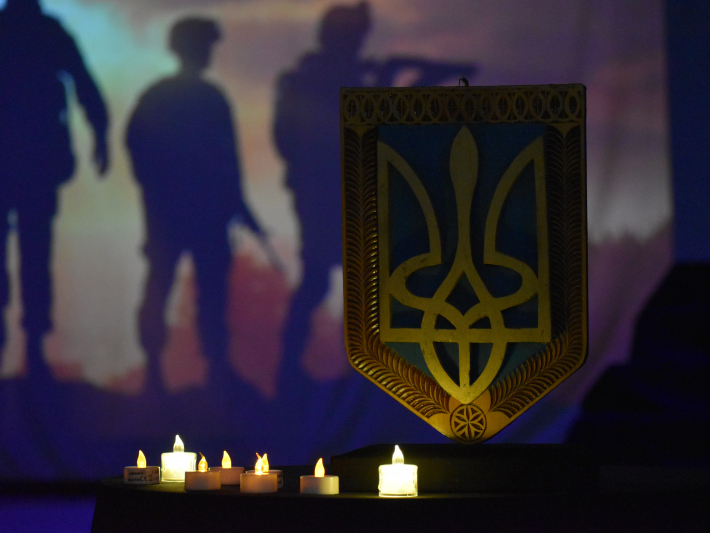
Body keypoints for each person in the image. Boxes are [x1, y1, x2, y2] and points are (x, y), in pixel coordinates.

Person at [273, 1, 475, 391]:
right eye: (353, 37)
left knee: (342, 282)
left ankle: (328, 370)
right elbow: (371, 121)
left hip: (338, 191)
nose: (358, 45)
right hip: (329, 192)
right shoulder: (317, 79)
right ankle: (309, 371)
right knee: (334, 281)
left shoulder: (319, 77)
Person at [127, 17, 258, 393]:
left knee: (177, 288)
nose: (209, 53)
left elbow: (226, 161)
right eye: (204, 46)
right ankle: (174, 370)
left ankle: (179, 370)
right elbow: (226, 161)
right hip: (195, 213)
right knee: (186, 290)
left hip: (183, 213)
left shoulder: (164, 96)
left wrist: (237, 204)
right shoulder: (207, 98)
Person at [0, 0, 109, 384]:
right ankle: (33, 346)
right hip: (38, 160)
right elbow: (84, 82)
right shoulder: (50, 32)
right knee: (36, 251)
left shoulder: (39, 32)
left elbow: (83, 82)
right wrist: (100, 133)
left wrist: (101, 131)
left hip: (29, 161)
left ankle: (30, 345)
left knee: (32, 251)